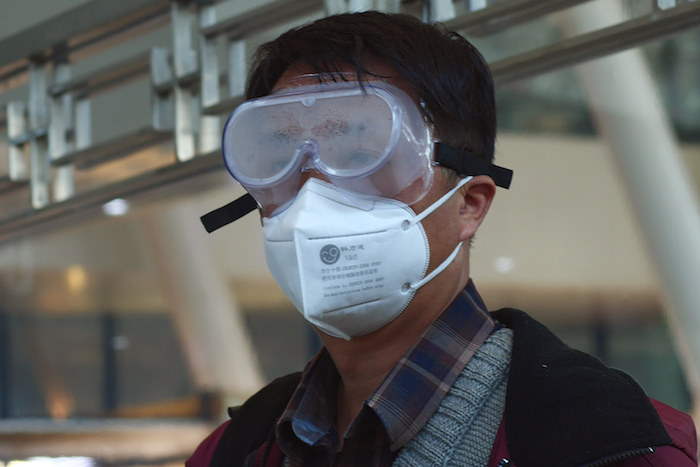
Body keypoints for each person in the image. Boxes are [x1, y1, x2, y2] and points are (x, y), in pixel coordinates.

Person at [190, 11, 697, 467]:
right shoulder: (235, 449)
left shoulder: (607, 446)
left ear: (468, 205)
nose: (311, 199)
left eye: (363, 154)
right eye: (281, 156)